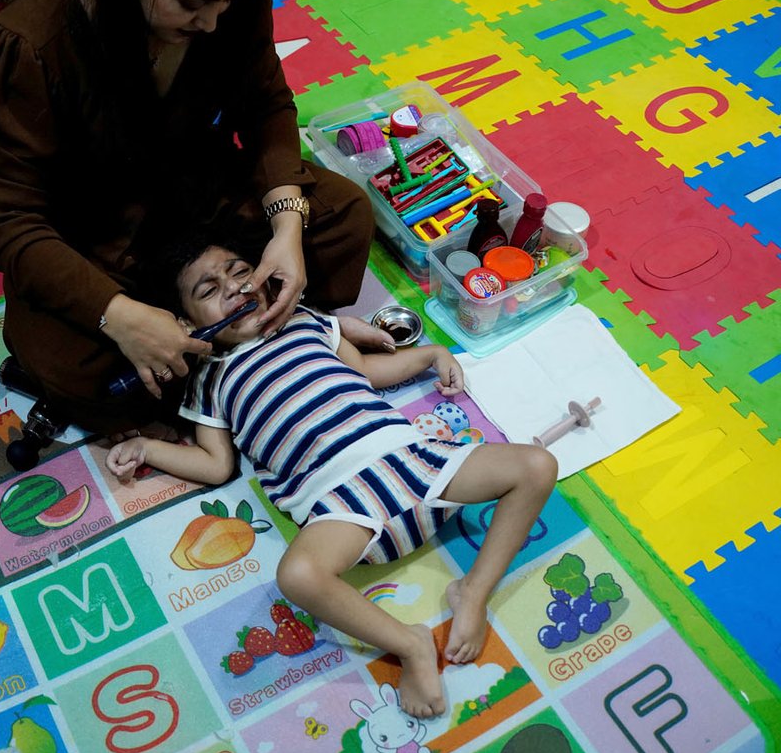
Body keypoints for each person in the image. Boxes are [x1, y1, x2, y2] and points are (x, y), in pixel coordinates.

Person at [0, 0, 380, 438]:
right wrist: (119, 316)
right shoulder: (28, 45)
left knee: (343, 217)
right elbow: (9, 221)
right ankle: (244, 348)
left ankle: (240, 352)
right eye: (191, 4)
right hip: (92, 230)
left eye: (224, 2)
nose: (211, 24)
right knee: (76, 366)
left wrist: (286, 226)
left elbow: (265, 103)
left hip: (196, 188)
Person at [105, 230, 559, 718]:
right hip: (340, 506)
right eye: (210, 290)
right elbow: (215, 465)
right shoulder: (209, 380)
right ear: (185, 324)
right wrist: (147, 447)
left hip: (412, 462)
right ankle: (409, 644)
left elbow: (367, 371)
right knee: (297, 575)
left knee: (537, 465)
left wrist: (431, 356)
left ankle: (473, 591)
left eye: (240, 272)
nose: (235, 288)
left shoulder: (304, 322)